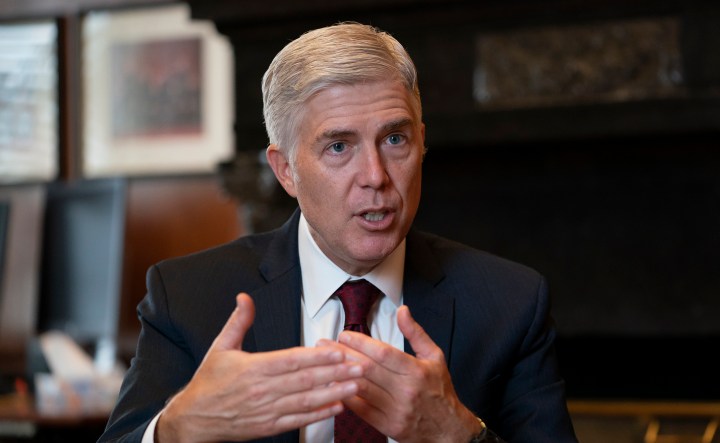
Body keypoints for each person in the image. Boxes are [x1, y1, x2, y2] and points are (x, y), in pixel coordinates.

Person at [98, 22, 577, 443]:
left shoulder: (509, 303)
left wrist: (460, 436)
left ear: (422, 143)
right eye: (339, 146)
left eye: (395, 139)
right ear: (285, 170)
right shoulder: (189, 297)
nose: (375, 175)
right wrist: (178, 428)